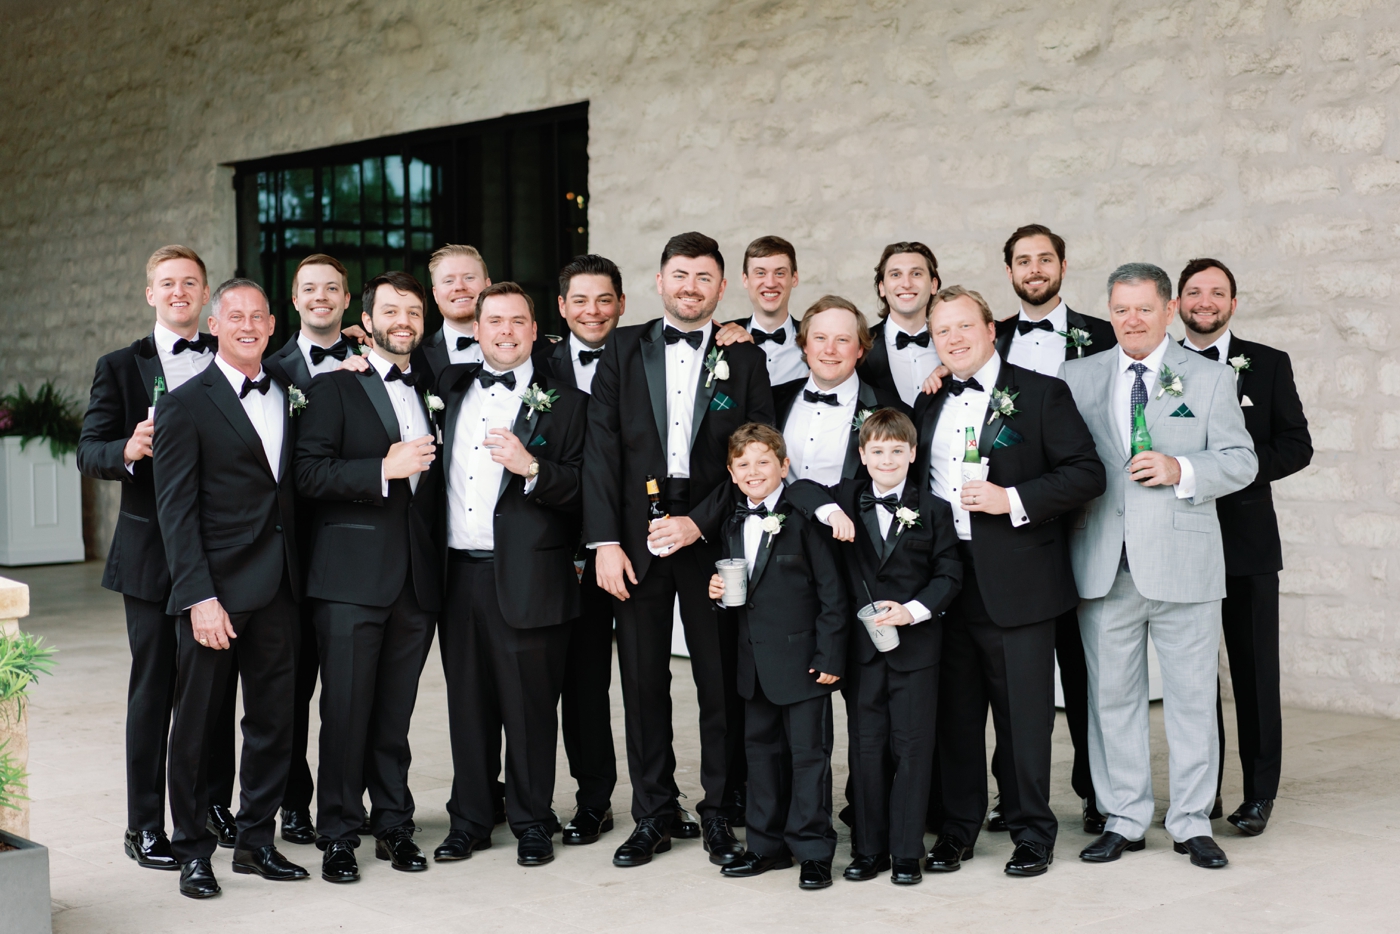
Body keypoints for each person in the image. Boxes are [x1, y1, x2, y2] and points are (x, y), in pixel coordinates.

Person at [582, 231, 774, 868]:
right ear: (660, 282)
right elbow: (601, 452)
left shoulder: (743, 358)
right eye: (680, 276)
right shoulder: (623, 347)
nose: (690, 288)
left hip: (713, 536)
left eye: (704, 278)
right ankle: (654, 813)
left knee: (719, 681)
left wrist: (697, 524)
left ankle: (720, 811)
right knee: (641, 680)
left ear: (721, 289)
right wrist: (606, 543)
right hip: (636, 538)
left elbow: (756, 457)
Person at [1061, 263, 1257, 870]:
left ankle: (1193, 821)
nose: (1131, 321)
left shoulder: (1209, 378)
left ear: (1169, 311)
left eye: (1144, 308)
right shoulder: (1077, 376)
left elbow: (1242, 460)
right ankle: (1123, 817)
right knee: (1111, 698)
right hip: (1102, 563)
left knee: (1193, 698)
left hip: (1185, 563)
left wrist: (1182, 470)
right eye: (1120, 310)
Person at [918, 286, 1105, 878]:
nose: (954, 339)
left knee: (1024, 717)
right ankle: (958, 828)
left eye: (963, 327)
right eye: (942, 331)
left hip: (1020, 580)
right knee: (956, 716)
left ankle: (1032, 830)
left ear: (989, 329)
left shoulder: (1042, 392)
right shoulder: (927, 402)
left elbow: (1087, 473)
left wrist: (1012, 499)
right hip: (945, 582)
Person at [76, 245, 239, 870]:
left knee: (216, 689)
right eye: (167, 283)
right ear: (150, 294)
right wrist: (130, 447)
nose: (178, 292)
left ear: (205, 296)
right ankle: (144, 823)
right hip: (150, 558)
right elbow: (89, 451)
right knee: (154, 689)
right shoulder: (120, 367)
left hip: (222, 555)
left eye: (190, 283)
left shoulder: (228, 358)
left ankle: (211, 805)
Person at [152, 278, 307, 897]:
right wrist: (199, 598)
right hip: (215, 592)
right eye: (235, 316)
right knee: (198, 725)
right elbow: (175, 512)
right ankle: (193, 850)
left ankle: (255, 842)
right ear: (215, 325)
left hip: (280, 588)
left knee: (274, 720)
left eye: (258, 317)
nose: (247, 325)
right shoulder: (184, 404)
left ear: (273, 326)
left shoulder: (292, 393)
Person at [293, 271, 443, 883]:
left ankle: (393, 823)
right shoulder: (333, 387)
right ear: (369, 318)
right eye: (391, 310)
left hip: (417, 581)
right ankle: (336, 831)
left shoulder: (436, 384)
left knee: (395, 714)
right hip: (349, 579)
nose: (403, 320)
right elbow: (307, 474)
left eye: (412, 310)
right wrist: (382, 467)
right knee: (347, 711)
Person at [432, 282, 589, 868]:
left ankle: (531, 820)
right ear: (476, 329)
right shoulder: (447, 388)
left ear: (534, 330)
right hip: (456, 575)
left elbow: (583, 492)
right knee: (466, 706)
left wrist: (533, 470)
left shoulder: (569, 404)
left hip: (529, 576)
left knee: (528, 708)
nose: (504, 331)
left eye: (516, 321)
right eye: (493, 320)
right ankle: (470, 819)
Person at [987, 224, 1118, 836]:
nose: (1034, 269)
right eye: (1022, 261)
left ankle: (1098, 790)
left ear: (1063, 264)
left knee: (1089, 671)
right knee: (1016, 680)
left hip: (1091, 523)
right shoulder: (988, 339)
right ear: (1009, 271)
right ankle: (1010, 794)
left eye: (1044, 259)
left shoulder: (1105, 335)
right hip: (1015, 536)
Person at [1176, 257, 1311, 836]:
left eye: (1217, 293)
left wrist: (1236, 471)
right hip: (1181, 542)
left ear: (1234, 303)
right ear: (1179, 302)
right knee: (1192, 678)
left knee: (1255, 674)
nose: (1205, 301)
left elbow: (1297, 444)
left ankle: (1258, 795)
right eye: (1194, 292)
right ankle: (1200, 791)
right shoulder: (1162, 366)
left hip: (1249, 545)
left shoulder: (1269, 364)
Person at [706, 424, 847, 890]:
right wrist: (717, 592)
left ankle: (812, 849)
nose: (753, 472)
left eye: (763, 462)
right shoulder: (730, 522)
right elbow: (741, 592)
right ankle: (765, 846)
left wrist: (830, 654)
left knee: (809, 757)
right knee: (760, 756)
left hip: (804, 660)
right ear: (731, 472)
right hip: (755, 665)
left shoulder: (804, 517)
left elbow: (832, 592)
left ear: (784, 466)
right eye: (743, 464)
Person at [833, 409, 960, 885]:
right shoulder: (844, 498)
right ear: (863, 456)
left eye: (896, 450)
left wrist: (913, 610)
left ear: (912, 454)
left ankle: (907, 851)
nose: (887, 458)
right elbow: (800, 493)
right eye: (877, 451)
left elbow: (950, 573)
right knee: (866, 748)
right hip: (862, 654)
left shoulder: (934, 508)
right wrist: (828, 511)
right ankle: (868, 849)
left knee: (912, 747)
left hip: (917, 650)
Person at [264, 252, 358, 845]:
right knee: (292, 692)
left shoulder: (377, 365)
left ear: (348, 300)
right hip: (291, 560)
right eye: (309, 289)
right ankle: (293, 804)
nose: (320, 297)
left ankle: (351, 803)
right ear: (293, 301)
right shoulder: (271, 371)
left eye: (331, 288)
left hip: (357, 558)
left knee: (353, 695)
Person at [533, 254, 626, 846]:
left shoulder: (645, 355)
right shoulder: (535, 361)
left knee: (613, 680)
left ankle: (619, 799)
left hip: (628, 540)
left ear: (620, 304)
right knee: (558, 679)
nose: (592, 311)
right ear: (562, 308)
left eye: (604, 300)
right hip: (551, 541)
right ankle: (561, 802)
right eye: (580, 301)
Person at [713, 236, 808, 384]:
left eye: (780, 273)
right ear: (745, 279)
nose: (770, 283)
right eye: (760, 273)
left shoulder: (815, 339)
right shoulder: (721, 335)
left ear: (794, 278)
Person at [858, 242, 941, 407]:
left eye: (916, 273)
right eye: (896, 275)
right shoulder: (859, 345)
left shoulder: (955, 343)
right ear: (881, 287)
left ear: (933, 285)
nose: (906, 284)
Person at [414, 243, 491, 383]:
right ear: (435, 294)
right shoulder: (414, 358)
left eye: (469, 278)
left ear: (488, 285)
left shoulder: (530, 345)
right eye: (448, 281)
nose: (460, 287)